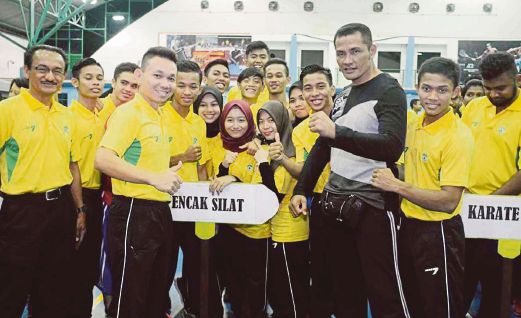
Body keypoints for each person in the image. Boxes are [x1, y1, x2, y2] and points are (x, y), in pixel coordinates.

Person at [290, 23, 409, 318]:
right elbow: (323, 145)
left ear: (373, 50)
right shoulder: (343, 94)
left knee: (384, 294)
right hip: (336, 204)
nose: (348, 60)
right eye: (341, 53)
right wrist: (302, 188)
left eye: (355, 51)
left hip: (373, 207)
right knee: (345, 291)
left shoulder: (390, 90)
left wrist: (337, 131)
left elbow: (392, 146)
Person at [372, 57, 473, 318]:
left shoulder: (458, 136)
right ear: (416, 87)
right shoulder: (413, 123)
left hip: (439, 233)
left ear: (455, 93)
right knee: (412, 303)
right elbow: (407, 168)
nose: (432, 97)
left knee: (440, 308)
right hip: (408, 227)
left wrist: (396, 186)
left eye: (442, 90)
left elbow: (449, 200)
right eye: (426, 88)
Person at [95, 46, 183, 318]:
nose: (165, 84)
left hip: (158, 212)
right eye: (158, 75)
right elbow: (103, 158)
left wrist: (164, 172)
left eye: (171, 79)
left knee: (155, 295)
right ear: (139, 74)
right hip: (133, 212)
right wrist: (152, 177)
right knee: (131, 300)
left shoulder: (158, 114)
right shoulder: (129, 113)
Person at [0, 44, 84, 318]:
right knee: (11, 287)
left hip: (61, 210)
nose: (50, 77)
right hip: (21, 211)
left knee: (53, 288)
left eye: (57, 71)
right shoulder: (7, 111)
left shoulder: (66, 115)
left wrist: (80, 210)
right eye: (42, 69)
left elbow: (72, 164)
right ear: (27, 71)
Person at [461, 52, 521, 318]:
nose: (493, 94)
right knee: (461, 281)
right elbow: (458, 149)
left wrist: (489, 201)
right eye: (488, 88)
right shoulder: (475, 107)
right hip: (465, 207)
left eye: (501, 88)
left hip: (504, 215)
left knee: (498, 287)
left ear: (517, 79)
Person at [163, 60, 220, 317]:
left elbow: (201, 168)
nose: (187, 91)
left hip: (192, 206)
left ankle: (195, 309)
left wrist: (206, 202)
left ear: (199, 88)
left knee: (198, 263)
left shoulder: (198, 122)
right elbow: (145, 163)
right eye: (181, 85)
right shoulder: (159, 116)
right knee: (163, 265)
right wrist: (180, 157)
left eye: (192, 86)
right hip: (163, 203)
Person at [210, 100, 270, 317]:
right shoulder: (218, 147)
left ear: (249, 122)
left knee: (254, 283)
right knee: (233, 279)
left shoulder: (258, 150)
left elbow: (262, 189)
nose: (235, 125)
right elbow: (213, 183)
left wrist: (233, 177)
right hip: (228, 229)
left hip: (256, 231)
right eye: (230, 120)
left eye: (241, 120)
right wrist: (225, 167)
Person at [257, 101, 310, 317]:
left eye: (271, 120)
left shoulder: (289, 152)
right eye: (261, 121)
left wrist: (262, 163)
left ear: (281, 121)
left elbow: (274, 196)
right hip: (277, 230)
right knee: (283, 292)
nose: (266, 125)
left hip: (289, 233)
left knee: (290, 294)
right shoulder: (269, 149)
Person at [290, 64, 335, 316]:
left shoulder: (347, 121)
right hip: (319, 203)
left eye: (320, 86)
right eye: (308, 88)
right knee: (320, 269)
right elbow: (304, 170)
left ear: (332, 88)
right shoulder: (299, 131)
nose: (314, 93)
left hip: (352, 202)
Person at [68, 57, 111, 318]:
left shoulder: (102, 115)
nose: (95, 83)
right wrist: (79, 209)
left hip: (99, 198)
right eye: (88, 78)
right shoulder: (69, 117)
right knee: (75, 267)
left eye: (99, 78)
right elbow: (70, 165)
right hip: (77, 198)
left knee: (90, 265)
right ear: (74, 82)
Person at [98, 61, 140, 313]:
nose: (128, 89)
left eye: (134, 85)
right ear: (112, 83)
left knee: (130, 262)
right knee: (109, 265)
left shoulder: (142, 113)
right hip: (108, 198)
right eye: (123, 83)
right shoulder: (100, 110)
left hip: (136, 201)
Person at [193, 86, 224, 177]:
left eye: (214, 104)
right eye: (203, 105)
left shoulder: (229, 134)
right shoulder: (190, 133)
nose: (209, 110)